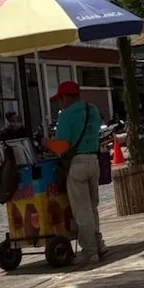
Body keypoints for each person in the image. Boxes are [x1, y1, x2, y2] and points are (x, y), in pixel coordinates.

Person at [50, 79, 105, 265]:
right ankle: (99, 243)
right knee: (93, 206)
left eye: (60, 99)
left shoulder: (66, 115)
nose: (60, 102)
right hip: (94, 161)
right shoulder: (93, 109)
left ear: (65, 97)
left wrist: (46, 143)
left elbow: (61, 146)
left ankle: (89, 251)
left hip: (78, 164)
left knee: (82, 211)